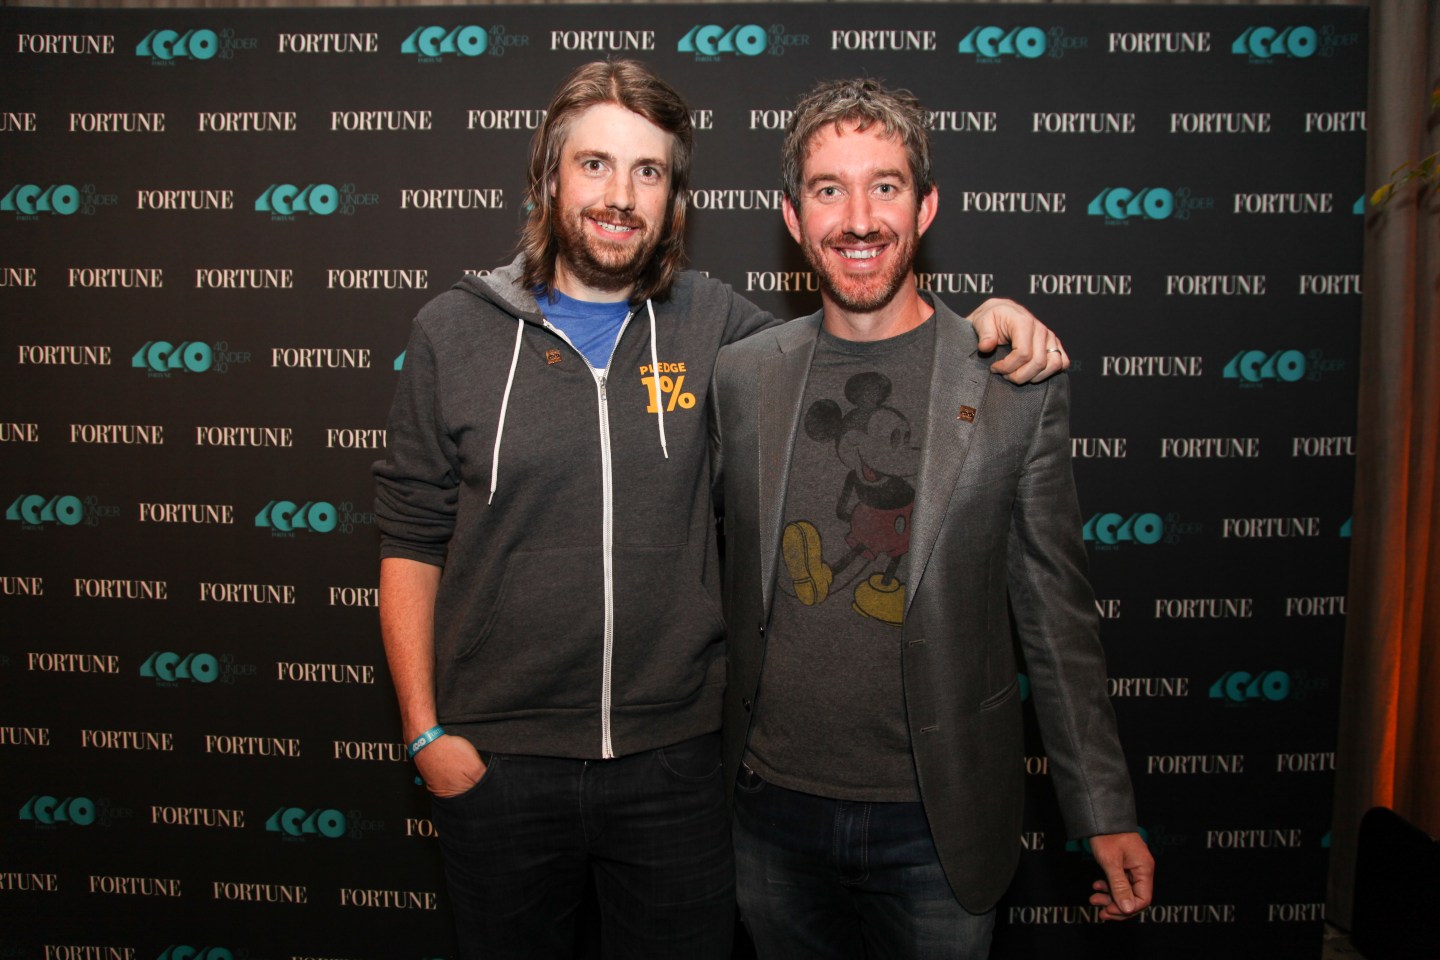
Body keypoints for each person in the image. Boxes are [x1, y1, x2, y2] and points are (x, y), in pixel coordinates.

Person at [373, 60, 1066, 960]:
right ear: (549, 175)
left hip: (675, 767)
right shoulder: (452, 332)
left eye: (648, 172)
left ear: (674, 199)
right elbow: (411, 539)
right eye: (595, 165)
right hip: (498, 761)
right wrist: (424, 732)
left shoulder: (721, 333)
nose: (619, 196)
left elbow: (862, 329)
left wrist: (988, 323)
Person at [710, 77, 1154, 959]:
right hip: (768, 815)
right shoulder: (742, 375)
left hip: (939, 822)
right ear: (793, 218)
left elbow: (1056, 621)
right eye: (828, 190)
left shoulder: (1010, 381)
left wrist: (1102, 809)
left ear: (926, 207)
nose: (859, 219)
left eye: (885, 185)